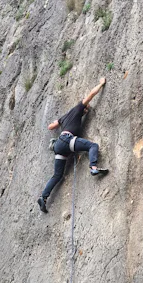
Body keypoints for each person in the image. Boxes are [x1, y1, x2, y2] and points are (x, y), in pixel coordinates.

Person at [38, 77, 108, 213]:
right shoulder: (78, 108)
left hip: (59, 146)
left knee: (57, 175)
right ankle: (93, 167)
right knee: (92, 146)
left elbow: (50, 127)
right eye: (86, 108)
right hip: (67, 140)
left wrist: (56, 122)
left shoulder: (64, 117)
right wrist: (101, 83)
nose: (87, 110)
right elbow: (91, 95)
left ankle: (43, 197)